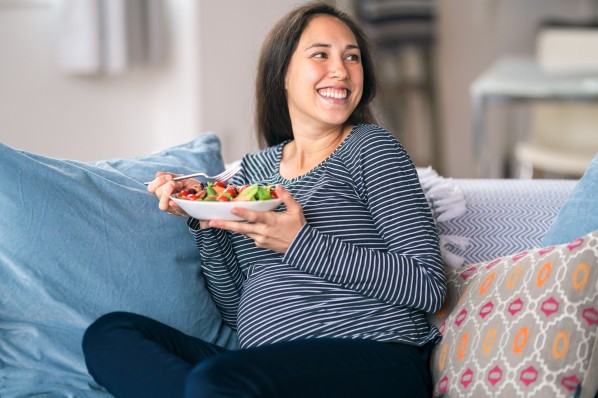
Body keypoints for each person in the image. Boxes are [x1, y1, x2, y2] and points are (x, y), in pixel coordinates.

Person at [82, 2, 446, 397]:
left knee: (215, 382)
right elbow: (236, 309)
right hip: (267, 365)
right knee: (110, 335)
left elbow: (427, 285)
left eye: (352, 57)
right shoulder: (254, 172)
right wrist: (204, 216)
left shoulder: (372, 148)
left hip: (374, 356)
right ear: (282, 74)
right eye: (321, 54)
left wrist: (298, 243)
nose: (341, 70)